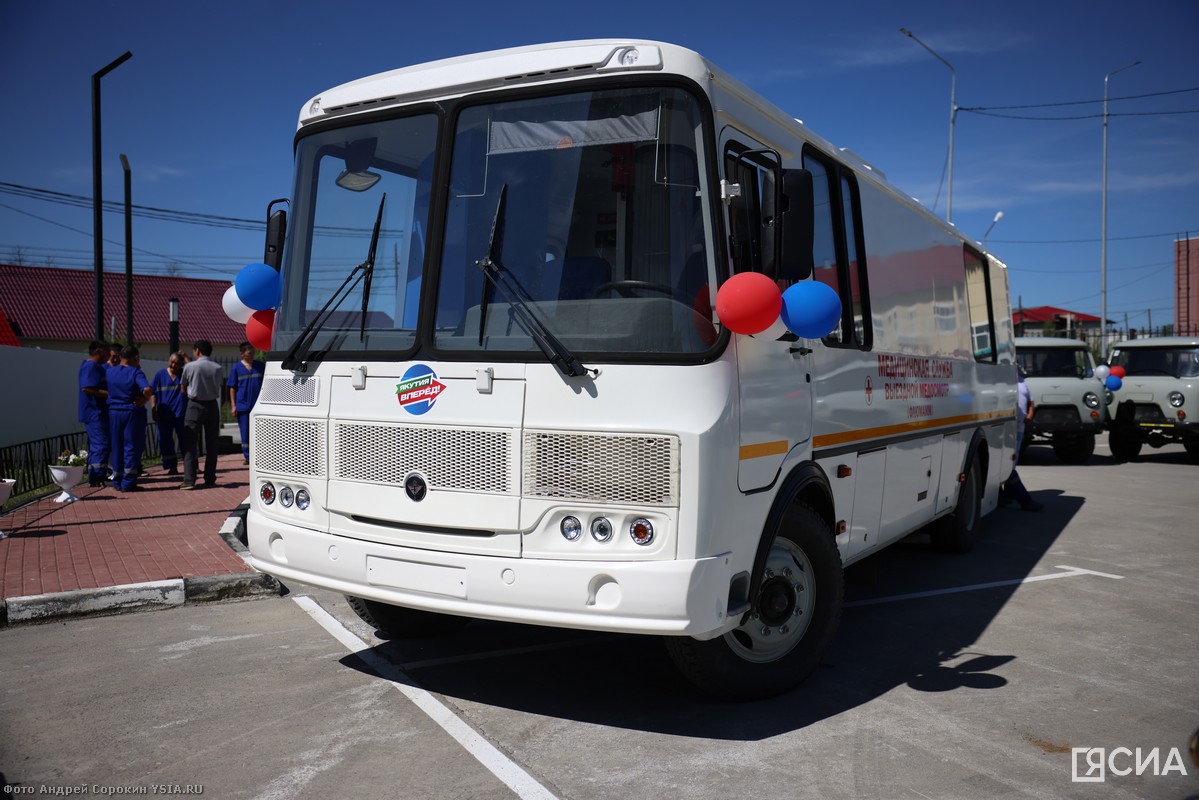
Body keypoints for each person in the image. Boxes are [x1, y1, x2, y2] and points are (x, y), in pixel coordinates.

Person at [179, 339, 225, 489]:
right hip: (212, 405)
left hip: (195, 404)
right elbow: (220, 387)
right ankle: (210, 478)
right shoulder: (218, 367)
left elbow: (183, 388)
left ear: (197, 351)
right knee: (212, 444)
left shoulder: (190, 366)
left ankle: (189, 480)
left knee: (190, 442)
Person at [106, 345, 152, 492]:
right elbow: (147, 389)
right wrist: (143, 400)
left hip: (114, 412)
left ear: (120, 357)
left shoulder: (110, 371)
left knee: (117, 446)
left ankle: (117, 480)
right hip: (131, 412)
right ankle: (128, 482)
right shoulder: (136, 372)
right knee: (132, 447)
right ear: (135, 358)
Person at [1002, 369, 1043, 512]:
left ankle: (1005, 496)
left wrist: (1030, 415)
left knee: (1013, 461)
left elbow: (1031, 402)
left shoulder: (1023, 382)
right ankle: (1024, 500)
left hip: (1019, 428)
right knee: (1010, 465)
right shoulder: (1006, 381)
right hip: (1008, 428)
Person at [226, 341, 265, 464]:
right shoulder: (236, 368)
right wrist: (233, 405)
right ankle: (248, 456)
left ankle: (259, 455)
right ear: (242, 353)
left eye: (253, 352)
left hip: (258, 405)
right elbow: (232, 387)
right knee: (245, 432)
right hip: (243, 405)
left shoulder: (260, 366)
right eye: (249, 353)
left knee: (260, 432)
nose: (252, 355)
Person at [78, 340, 111, 488]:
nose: (109, 354)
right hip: (94, 412)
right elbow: (86, 388)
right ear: (99, 351)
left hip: (99, 412)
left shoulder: (98, 367)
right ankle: (97, 476)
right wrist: (110, 395)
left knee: (99, 444)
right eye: (107, 351)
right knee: (100, 444)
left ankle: (96, 475)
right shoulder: (90, 366)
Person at [151, 351, 189, 475]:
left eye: (177, 364)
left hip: (180, 413)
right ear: (168, 361)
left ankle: (190, 466)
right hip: (164, 413)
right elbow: (153, 393)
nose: (173, 366)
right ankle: (172, 466)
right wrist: (153, 408)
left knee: (185, 440)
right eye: (172, 362)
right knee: (165, 440)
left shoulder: (184, 374)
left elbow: (193, 368)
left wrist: (185, 357)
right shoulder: (159, 375)